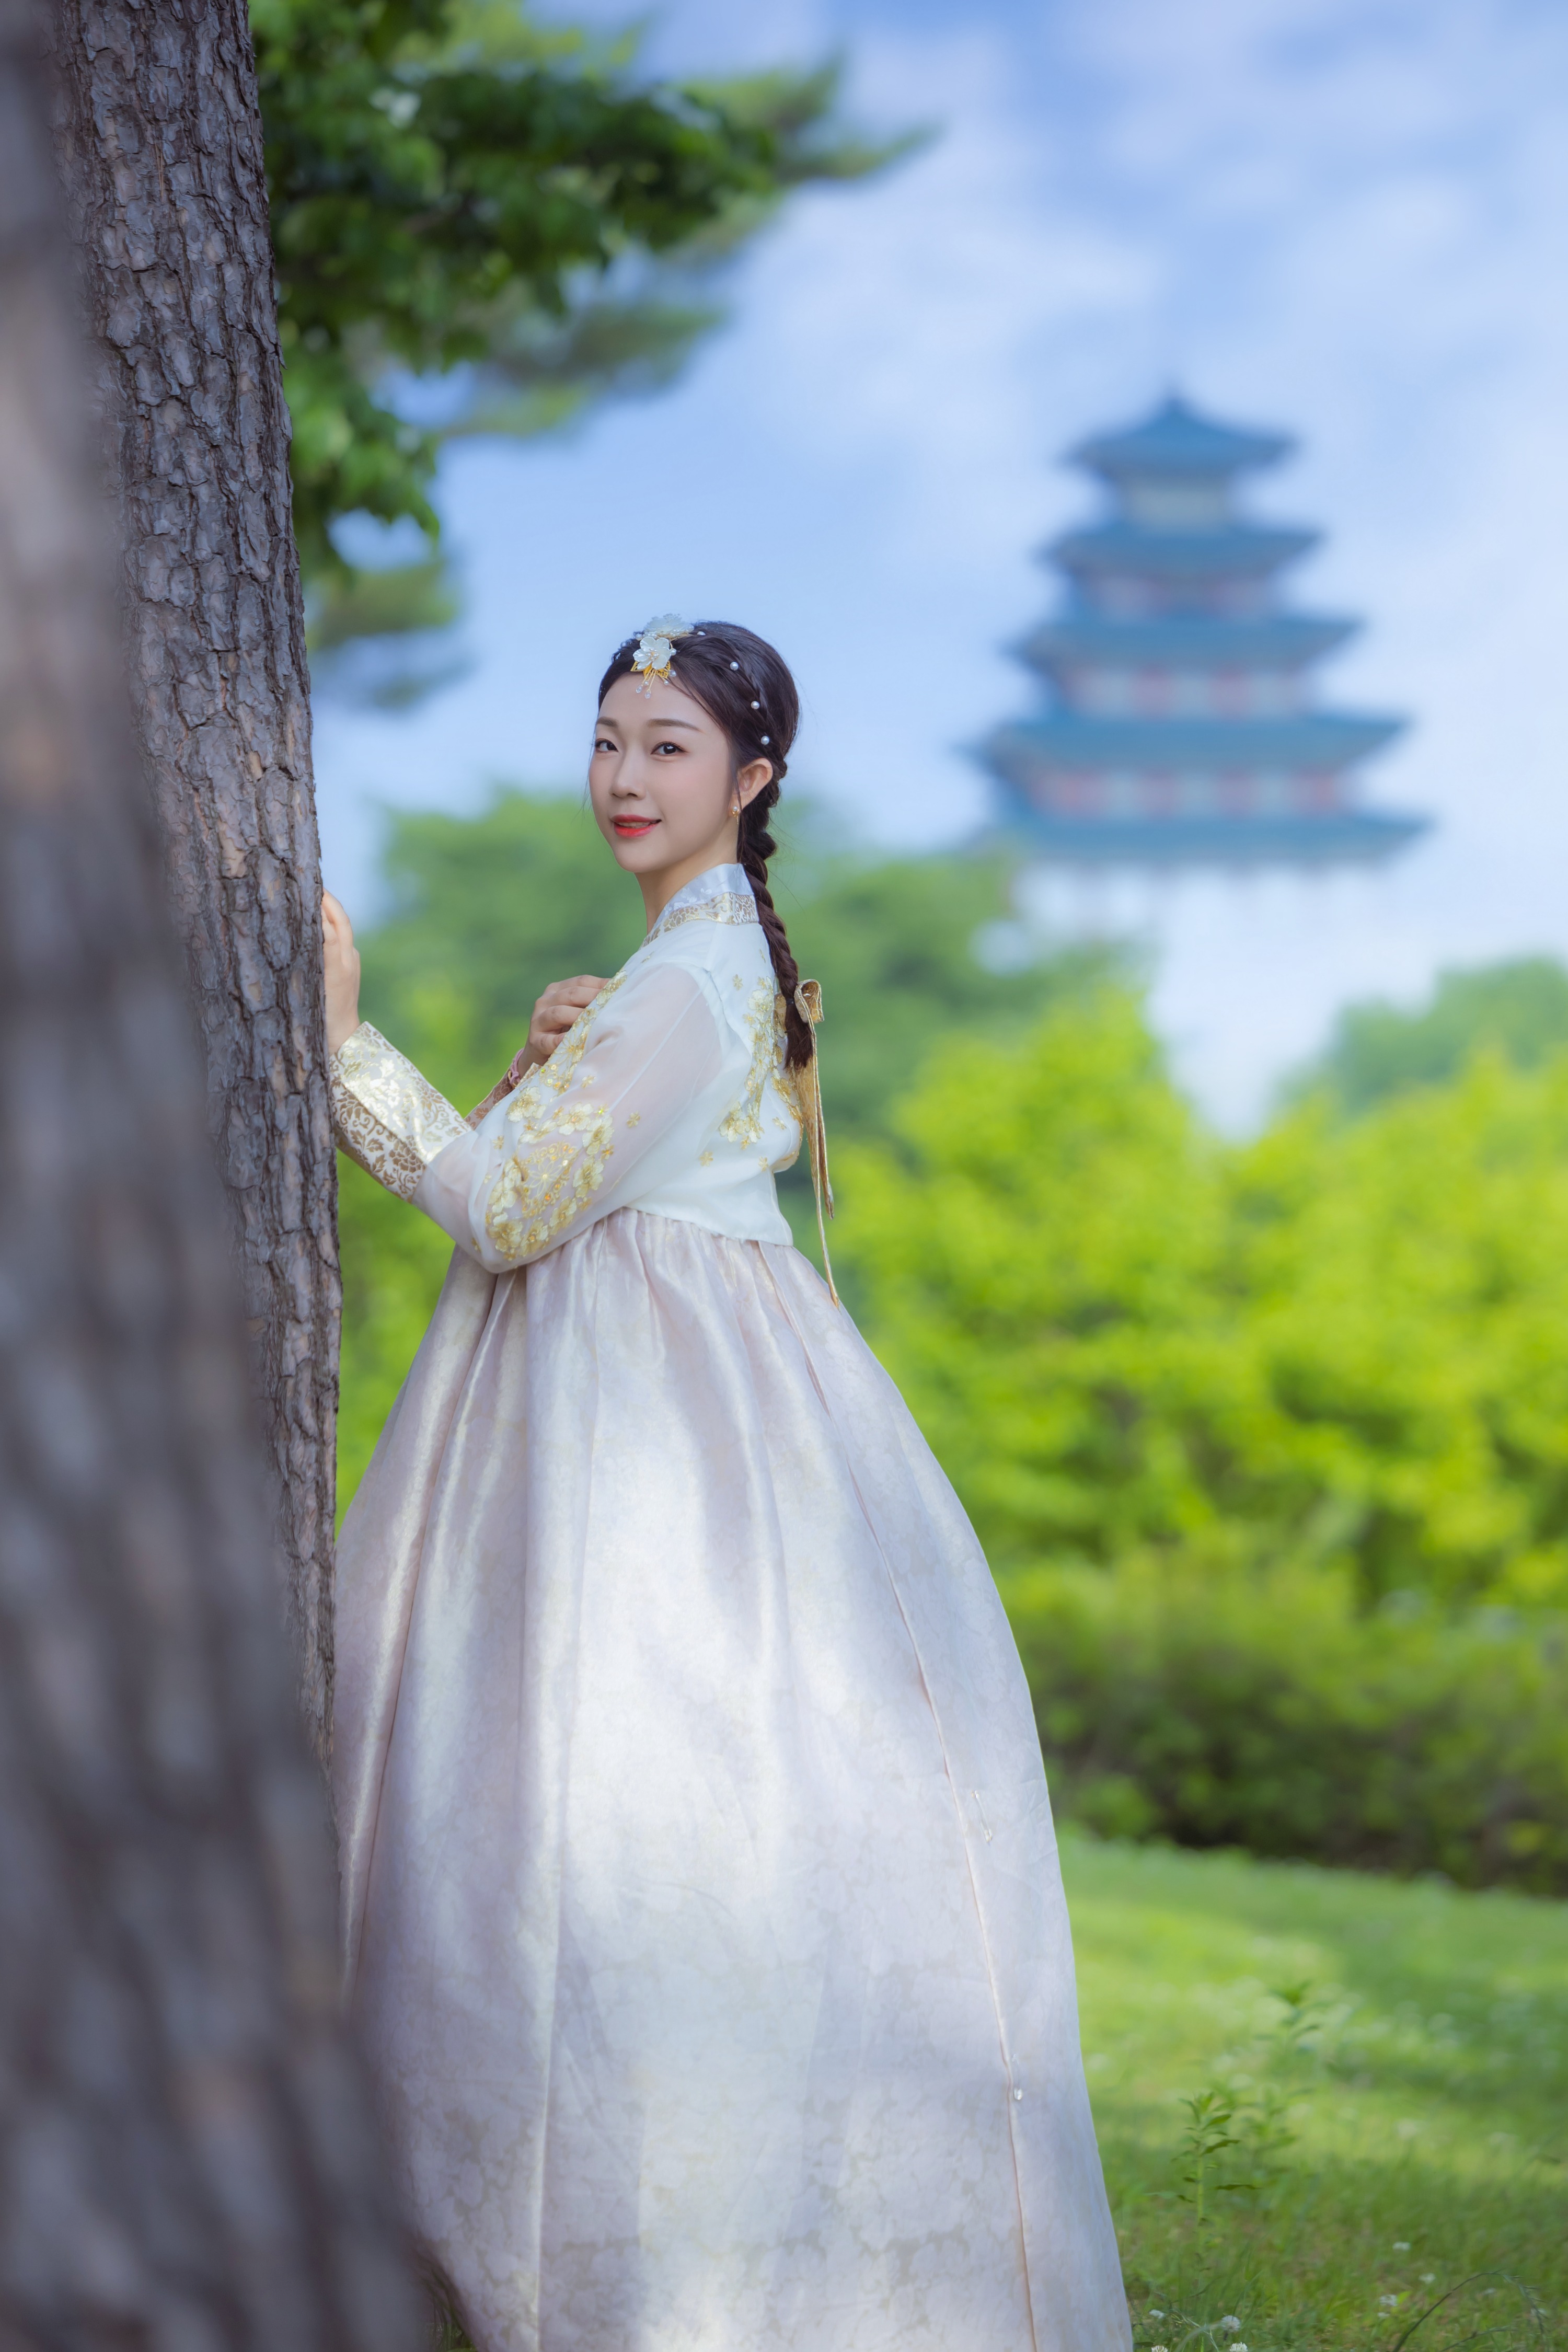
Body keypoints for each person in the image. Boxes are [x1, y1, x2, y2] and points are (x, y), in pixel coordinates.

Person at [322, 617, 1129, 2352]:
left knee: (616, 1810)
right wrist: (563, 1053)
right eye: (609, 737)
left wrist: (338, 1049)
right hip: (654, 1387)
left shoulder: (694, 975)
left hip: (659, 1436)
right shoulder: (688, 967)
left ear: (752, 780)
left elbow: (509, 1210)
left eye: (670, 745)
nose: (625, 774)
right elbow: (575, 1163)